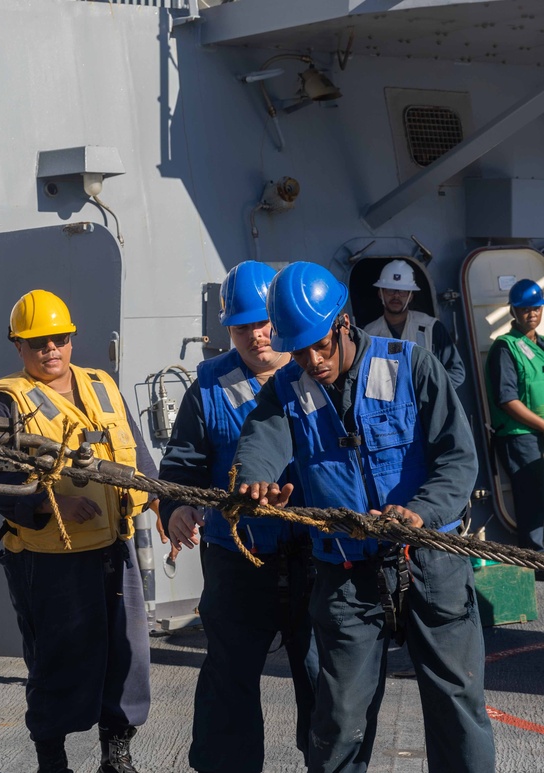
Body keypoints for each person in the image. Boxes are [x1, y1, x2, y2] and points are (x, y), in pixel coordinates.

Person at [231, 262, 494, 773]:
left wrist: (419, 513)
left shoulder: (412, 365)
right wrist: (255, 481)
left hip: (431, 564)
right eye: (299, 350)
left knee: (456, 704)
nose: (313, 360)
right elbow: (261, 441)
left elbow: (458, 460)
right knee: (340, 717)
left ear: (344, 324)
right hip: (347, 575)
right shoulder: (288, 387)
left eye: (320, 345)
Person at [0, 290, 156, 773]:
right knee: (57, 661)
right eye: (37, 343)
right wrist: (46, 501)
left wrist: (161, 500)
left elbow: (136, 451)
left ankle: (116, 754)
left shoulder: (101, 384)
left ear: (72, 339)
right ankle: (52, 760)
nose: (50, 350)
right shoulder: (6, 403)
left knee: (127, 655)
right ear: (19, 347)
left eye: (59, 339)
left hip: (112, 548)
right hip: (48, 557)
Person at [159, 262, 315, 773]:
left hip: (314, 558)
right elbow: (182, 463)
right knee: (230, 677)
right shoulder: (208, 385)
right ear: (228, 328)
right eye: (243, 325)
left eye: (265, 322)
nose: (256, 334)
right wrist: (179, 505)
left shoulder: (318, 372)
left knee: (323, 678)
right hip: (238, 557)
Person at [486, 278, 544, 553]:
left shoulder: (540, 346)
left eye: (536, 308)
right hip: (519, 437)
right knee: (533, 502)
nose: (531, 314)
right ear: (513, 311)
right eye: (524, 309)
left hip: (539, 433)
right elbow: (507, 400)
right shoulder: (505, 348)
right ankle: (539, 567)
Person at [363, 259, 465, 389]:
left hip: (427, 406)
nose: (396, 296)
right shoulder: (369, 334)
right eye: (390, 290)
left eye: (403, 291)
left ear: (410, 296)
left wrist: (432, 391)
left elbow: (456, 372)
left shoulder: (431, 327)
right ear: (380, 293)